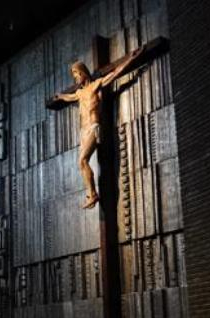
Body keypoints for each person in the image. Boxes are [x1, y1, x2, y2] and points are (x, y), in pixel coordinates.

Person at [53, 47, 144, 209]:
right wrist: (60, 96)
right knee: (82, 163)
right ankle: (91, 193)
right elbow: (69, 97)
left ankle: (93, 194)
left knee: (82, 160)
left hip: (95, 127)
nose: (76, 79)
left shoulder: (96, 85)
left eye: (77, 75)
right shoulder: (79, 94)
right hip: (84, 131)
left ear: (83, 73)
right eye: (74, 76)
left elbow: (115, 73)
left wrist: (131, 58)